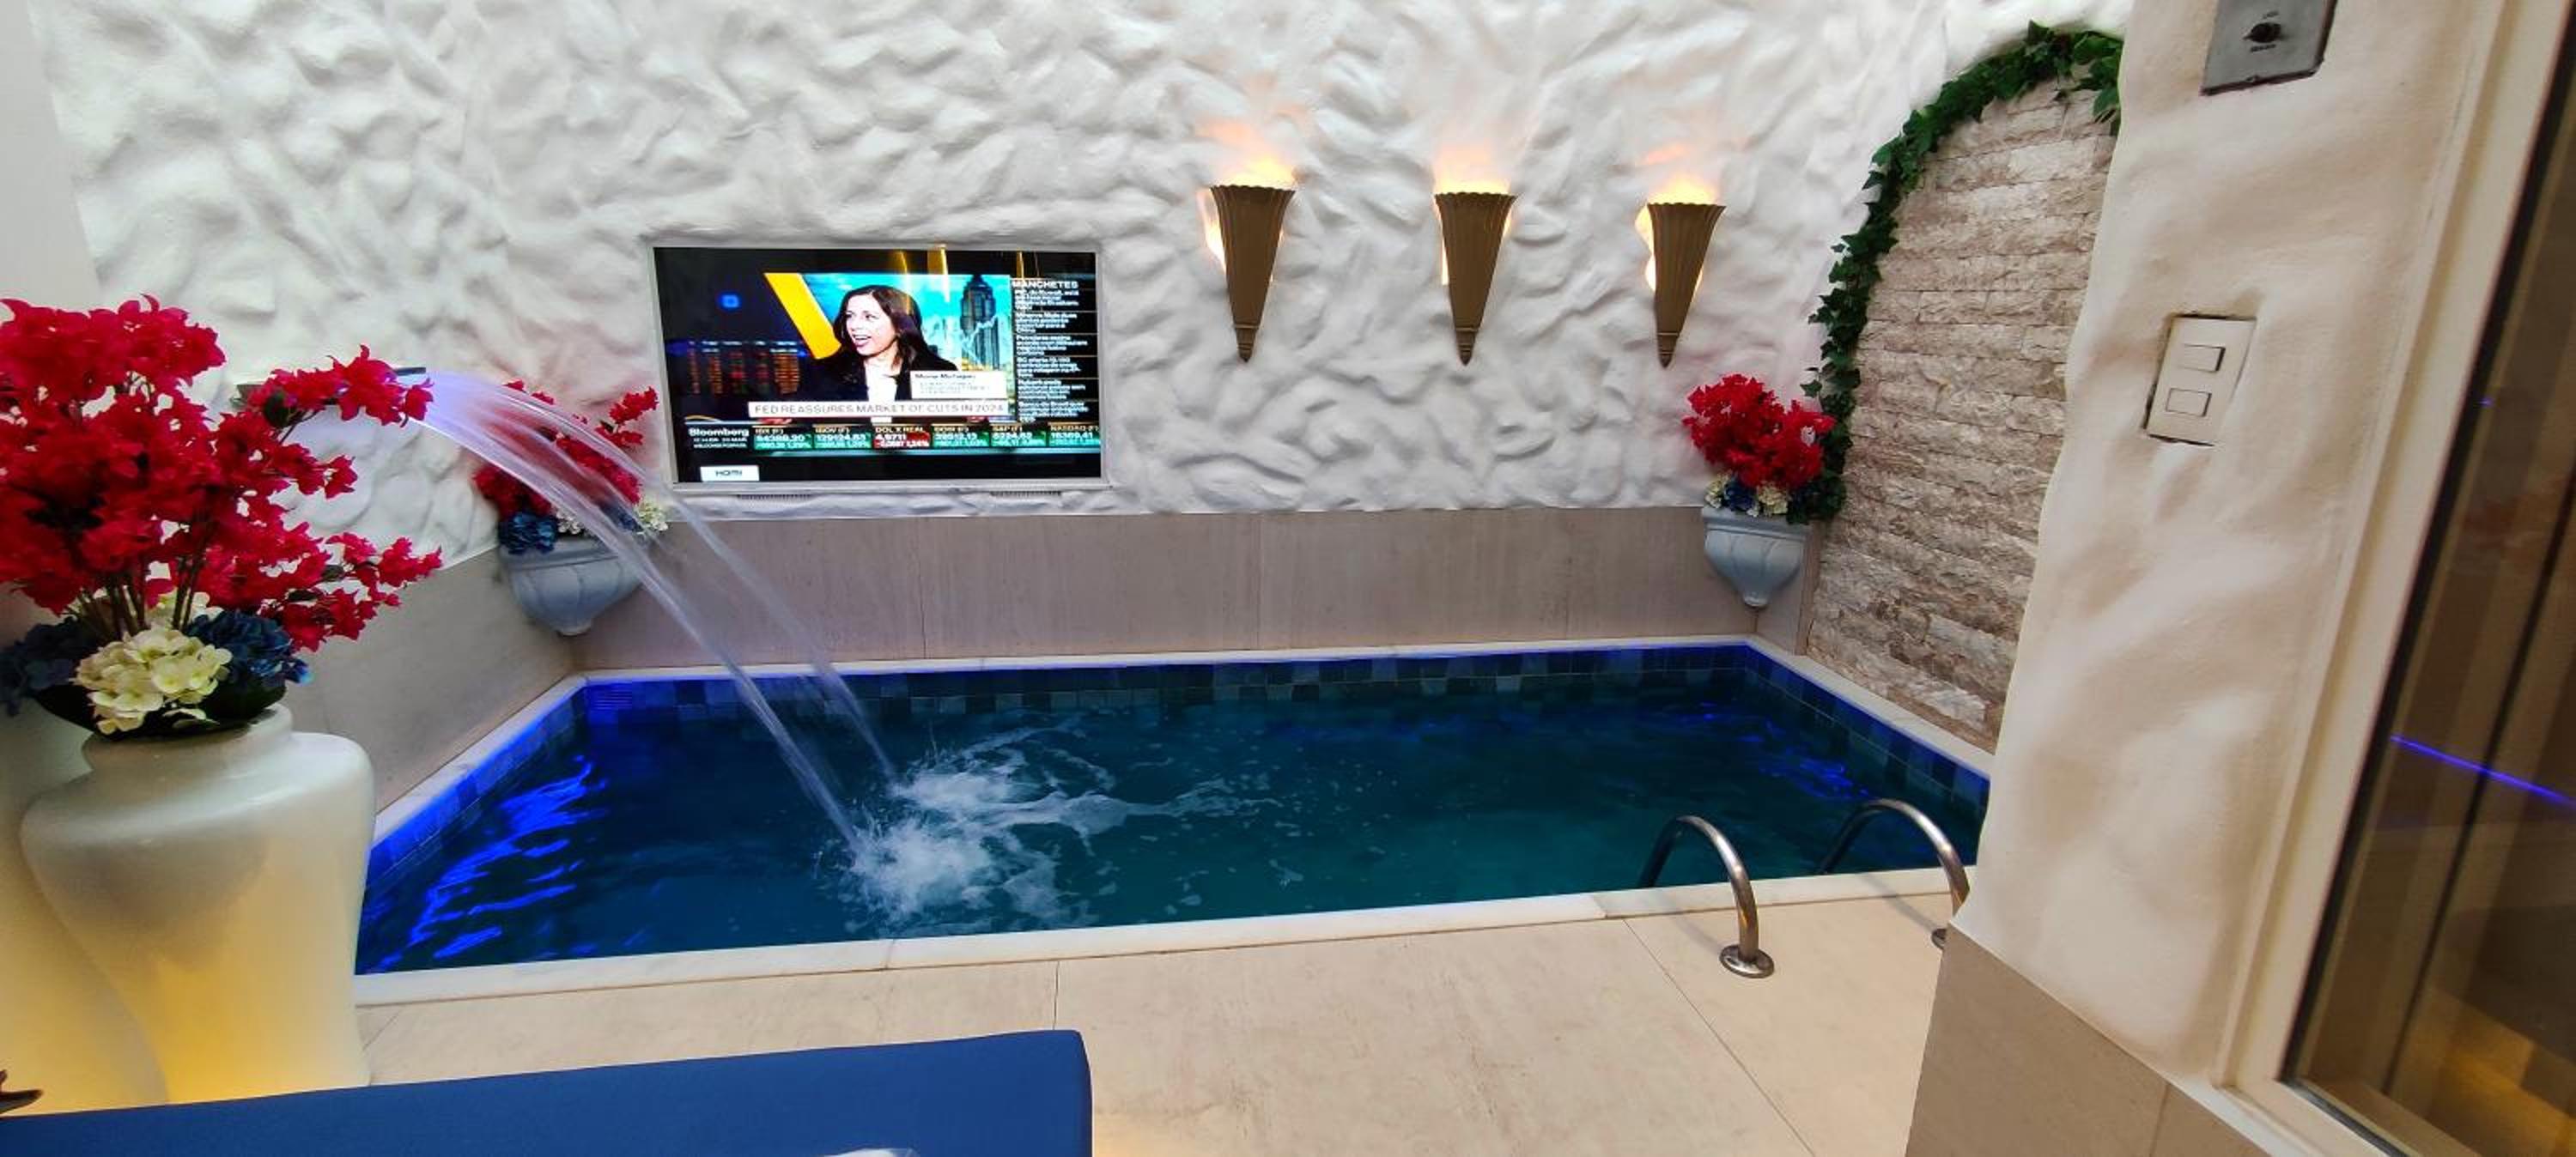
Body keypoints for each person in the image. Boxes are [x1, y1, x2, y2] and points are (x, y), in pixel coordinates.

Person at [802, 286, 957, 402]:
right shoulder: (821, 373)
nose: (854, 325)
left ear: (900, 324)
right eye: (849, 316)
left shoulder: (940, 372)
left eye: (869, 317)